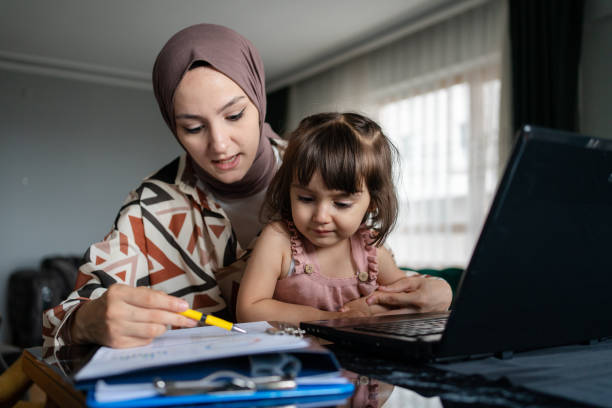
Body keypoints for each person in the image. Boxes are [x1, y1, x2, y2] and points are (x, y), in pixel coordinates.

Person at [42, 24, 452, 349]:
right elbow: (64, 318)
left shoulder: (318, 167)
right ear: (173, 126)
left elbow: (365, 271)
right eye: (193, 127)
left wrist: (432, 291)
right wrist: (87, 322)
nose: (219, 145)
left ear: (259, 98)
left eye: (235, 116)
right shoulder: (151, 210)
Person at [237, 112, 451, 324]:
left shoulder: (371, 250)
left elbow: (409, 297)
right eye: (306, 199)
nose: (321, 217)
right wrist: (330, 319)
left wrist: (441, 289)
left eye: (341, 204)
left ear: (373, 202)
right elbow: (250, 309)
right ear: (289, 192)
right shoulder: (278, 240)